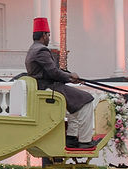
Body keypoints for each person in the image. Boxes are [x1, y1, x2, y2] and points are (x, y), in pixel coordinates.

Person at [25, 17, 96, 150]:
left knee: (75, 106)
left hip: (45, 87)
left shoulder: (32, 49)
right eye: (48, 35)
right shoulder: (41, 50)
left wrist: (70, 76)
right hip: (50, 87)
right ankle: (85, 141)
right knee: (86, 100)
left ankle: (71, 138)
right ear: (43, 35)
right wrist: (70, 78)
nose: (49, 38)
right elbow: (54, 73)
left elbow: (54, 70)